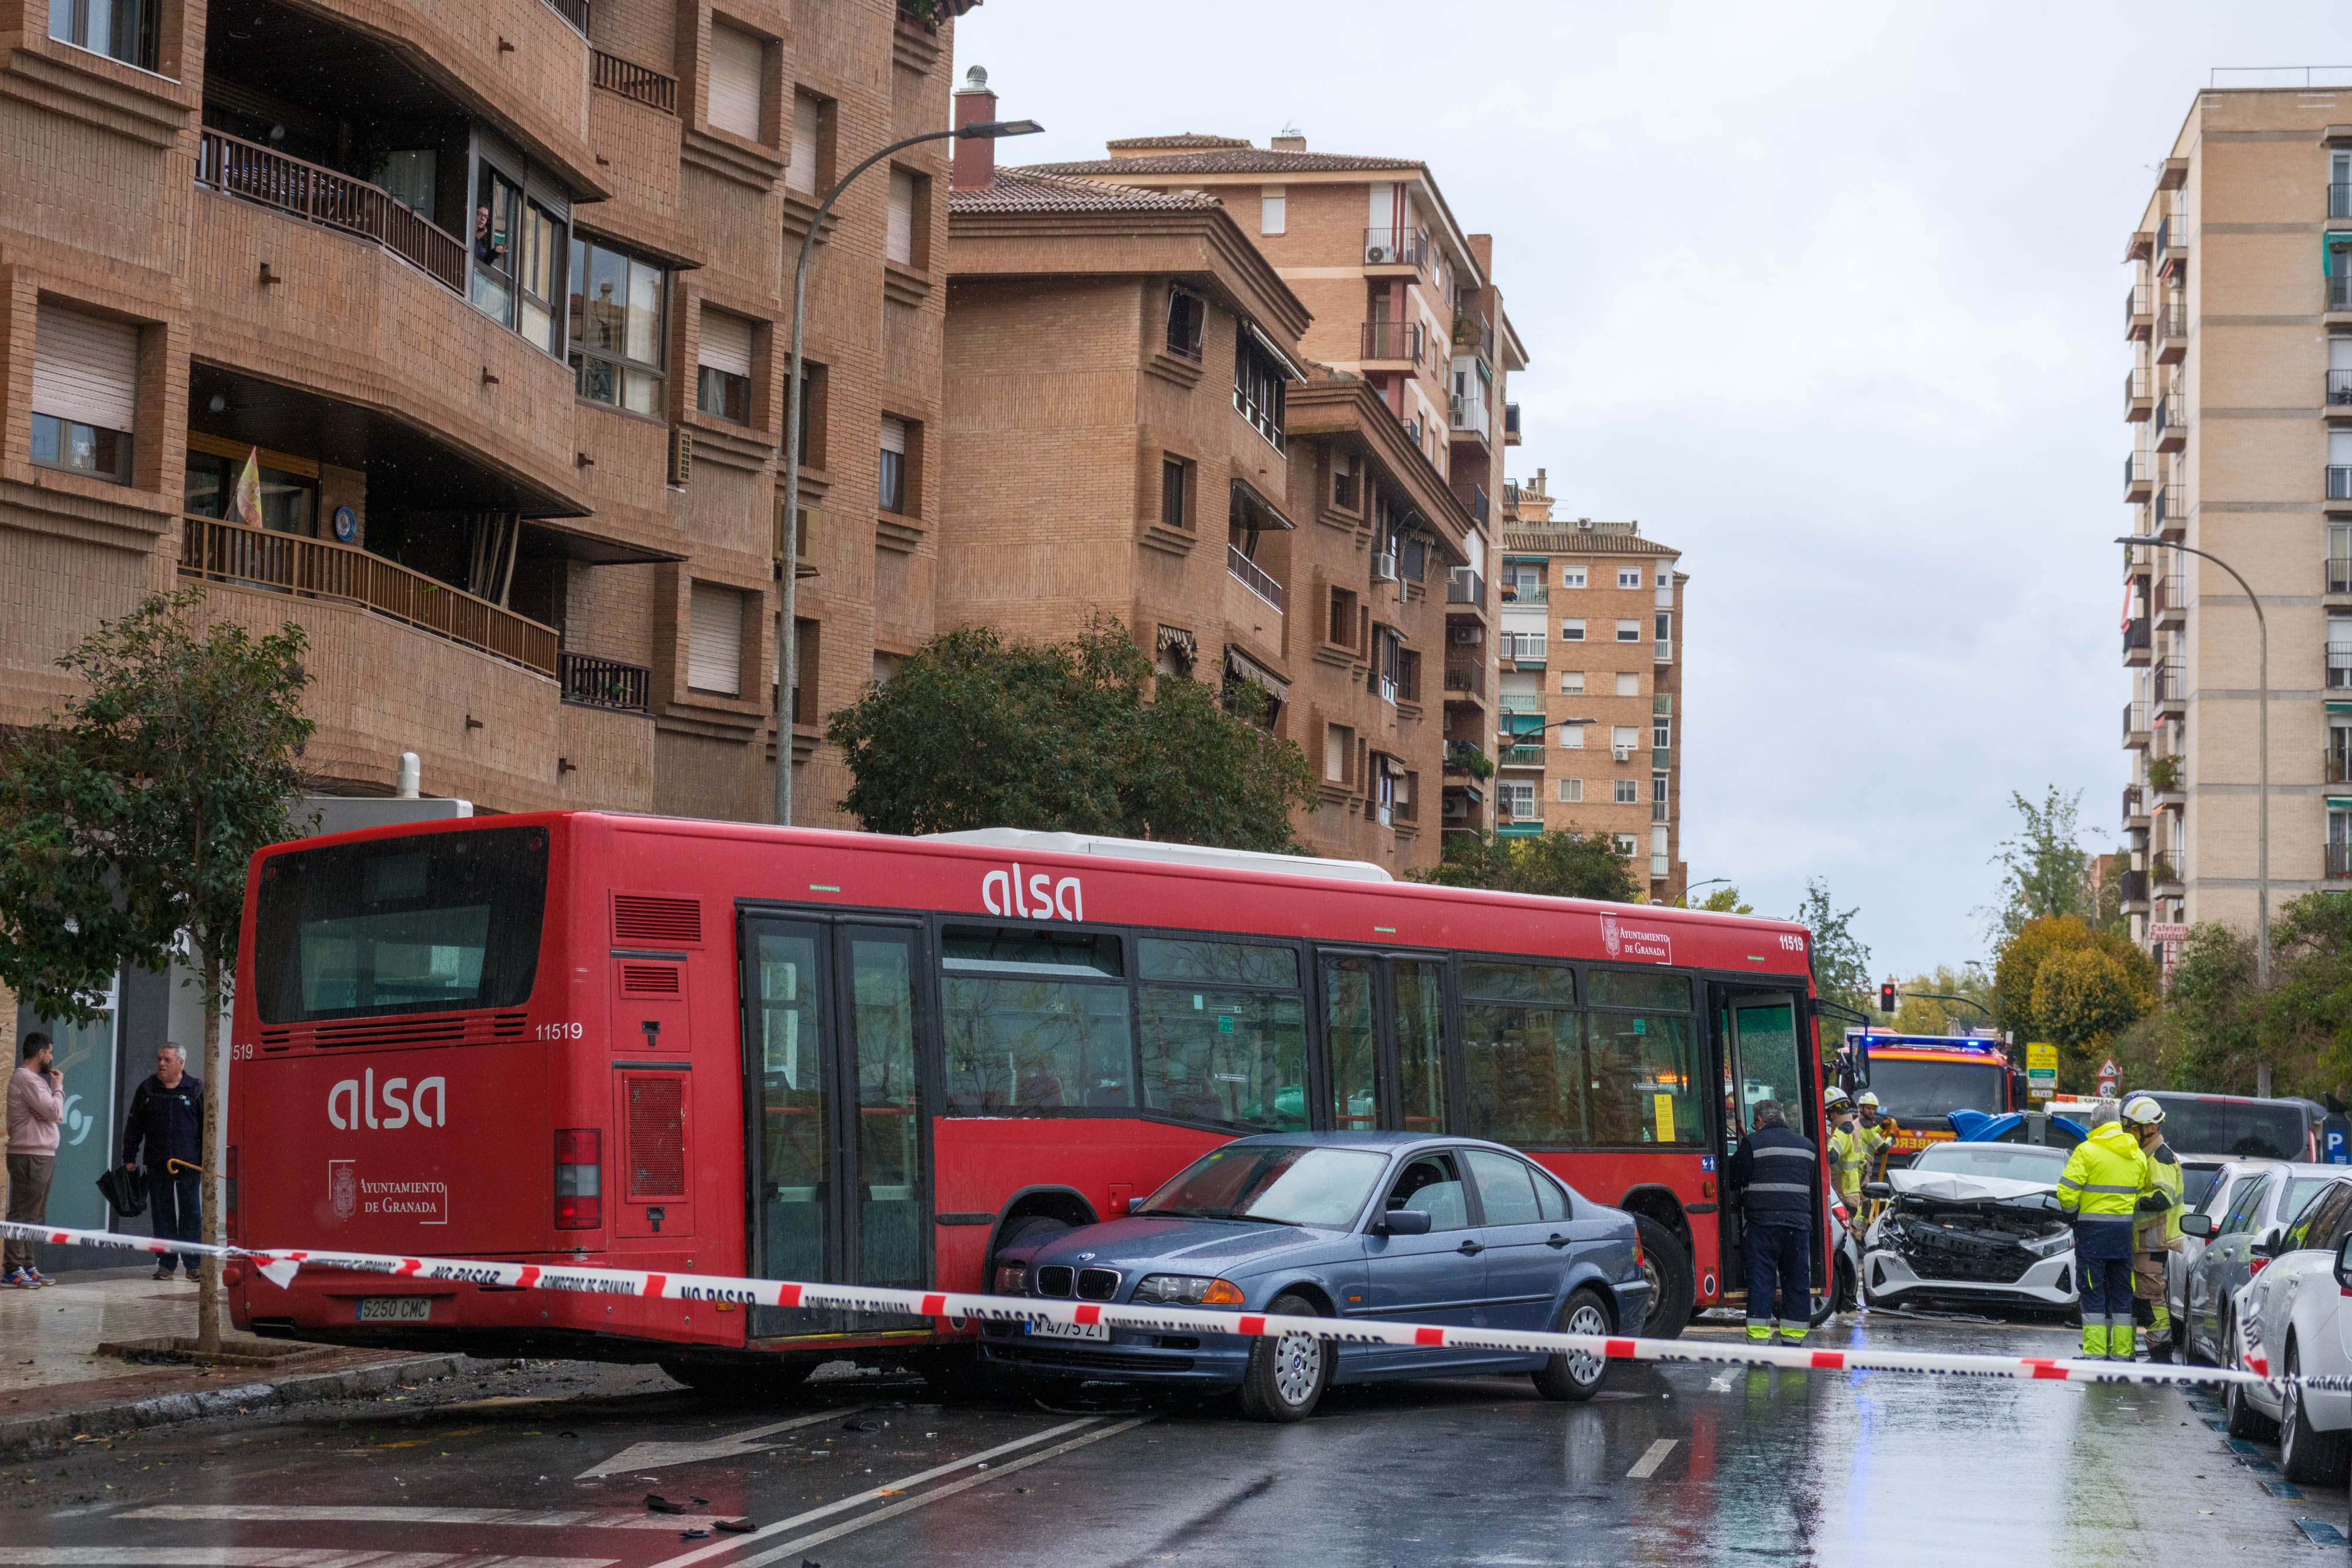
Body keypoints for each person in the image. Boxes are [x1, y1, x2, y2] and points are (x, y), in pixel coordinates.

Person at [2056, 1098, 2153, 1360]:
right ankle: (2122, 1354)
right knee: (2122, 1295)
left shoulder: (2086, 1151)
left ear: (2094, 1124)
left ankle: (2096, 1355)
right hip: (2122, 1236)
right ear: (2119, 1124)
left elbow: (2065, 1193)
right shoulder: (2137, 1155)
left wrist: (2074, 1216)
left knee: (2093, 1294)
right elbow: (2137, 1191)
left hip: (2092, 1237)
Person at [1727, 1099, 1819, 1345]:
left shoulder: (1753, 1143)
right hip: (1798, 1226)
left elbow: (1733, 1177)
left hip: (1763, 1226)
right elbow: (1808, 1183)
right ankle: (1793, 1340)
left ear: (1759, 1121)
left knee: (1761, 1281)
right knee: (1797, 1282)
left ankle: (1759, 1341)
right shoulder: (1807, 1146)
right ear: (1782, 1118)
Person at [122, 1045, 204, 1282]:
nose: (161, 1063)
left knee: (191, 1213)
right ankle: (166, 1264)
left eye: (168, 1060)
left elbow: (207, 1129)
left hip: (189, 1165)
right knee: (162, 1213)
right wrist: (129, 1157)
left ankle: (193, 1264)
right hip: (158, 1163)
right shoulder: (148, 1089)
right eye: (159, 1059)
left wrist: (207, 1161)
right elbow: (134, 1125)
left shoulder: (196, 1089)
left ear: (181, 1063)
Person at [2122, 1094, 2184, 1363]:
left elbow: (2163, 1198)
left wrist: (2128, 1200)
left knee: (2151, 1298)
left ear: (2149, 1127)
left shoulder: (2160, 1157)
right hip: (2146, 1240)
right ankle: (2154, 1352)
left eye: (2132, 1128)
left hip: (2154, 1241)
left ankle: (2161, 1356)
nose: (2128, 1132)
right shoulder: (2148, 1154)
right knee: (2142, 1297)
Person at [5, 1033, 64, 1289]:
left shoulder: (35, 1081)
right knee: (23, 1213)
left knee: (35, 1215)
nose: (51, 1057)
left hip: (43, 1154)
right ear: (41, 1054)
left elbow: (47, 1113)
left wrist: (47, 1111)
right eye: (50, 1052)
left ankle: (28, 1265)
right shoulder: (27, 1079)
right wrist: (58, 1087)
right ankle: (13, 1268)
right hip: (29, 1155)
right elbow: (54, 1111)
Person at [1824, 1086, 1863, 1209]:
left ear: (1831, 1111)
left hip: (1843, 1197)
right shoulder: (1855, 1129)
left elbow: (1831, 1156)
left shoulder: (1843, 1132)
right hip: (1853, 1195)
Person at [1856, 1091, 1902, 1184]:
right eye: (1868, 1108)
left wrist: (1882, 1126)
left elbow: (1870, 1135)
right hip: (1862, 1171)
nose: (1872, 1112)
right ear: (1860, 1108)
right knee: (1864, 1194)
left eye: (1874, 1109)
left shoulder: (1858, 1123)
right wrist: (1893, 1137)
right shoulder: (1866, 1127)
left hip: (1857, 1170)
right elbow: (1883, 1149)